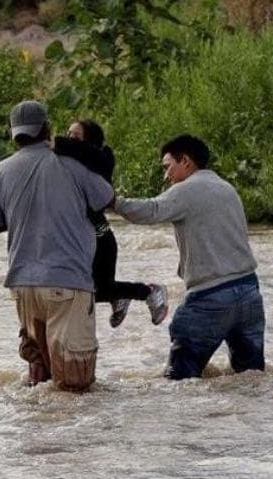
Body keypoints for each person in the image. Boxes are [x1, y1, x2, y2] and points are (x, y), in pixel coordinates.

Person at [112, 134, 265, 380]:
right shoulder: (227, 188)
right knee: (250, 377)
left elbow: (149, 211)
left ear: (186, 161)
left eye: (167, 166)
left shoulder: (186, 190)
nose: (166, 176)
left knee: (178, 380)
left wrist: (112, 202)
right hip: (249, 293)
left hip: (210, 298)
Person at [0, 101, 114, 391]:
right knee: (74, 387)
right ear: (47, 128)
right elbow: (106, 199)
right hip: (68, 283)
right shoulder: (72, 164)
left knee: (39, 379)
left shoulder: (0, 171)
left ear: (14, 134)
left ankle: (39, 437)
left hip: (22, 286)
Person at [54, 119, 168, 327]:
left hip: (100, 239)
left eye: (75, 136)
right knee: (82, 290)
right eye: (67, 134)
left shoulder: (100, 158)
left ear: (90, 141)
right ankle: (120, 296)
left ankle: (150, 291)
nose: (69, 140)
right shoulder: (72, 161)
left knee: (92, 290)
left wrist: (51, 142)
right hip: (90, 236)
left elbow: (84, 151)